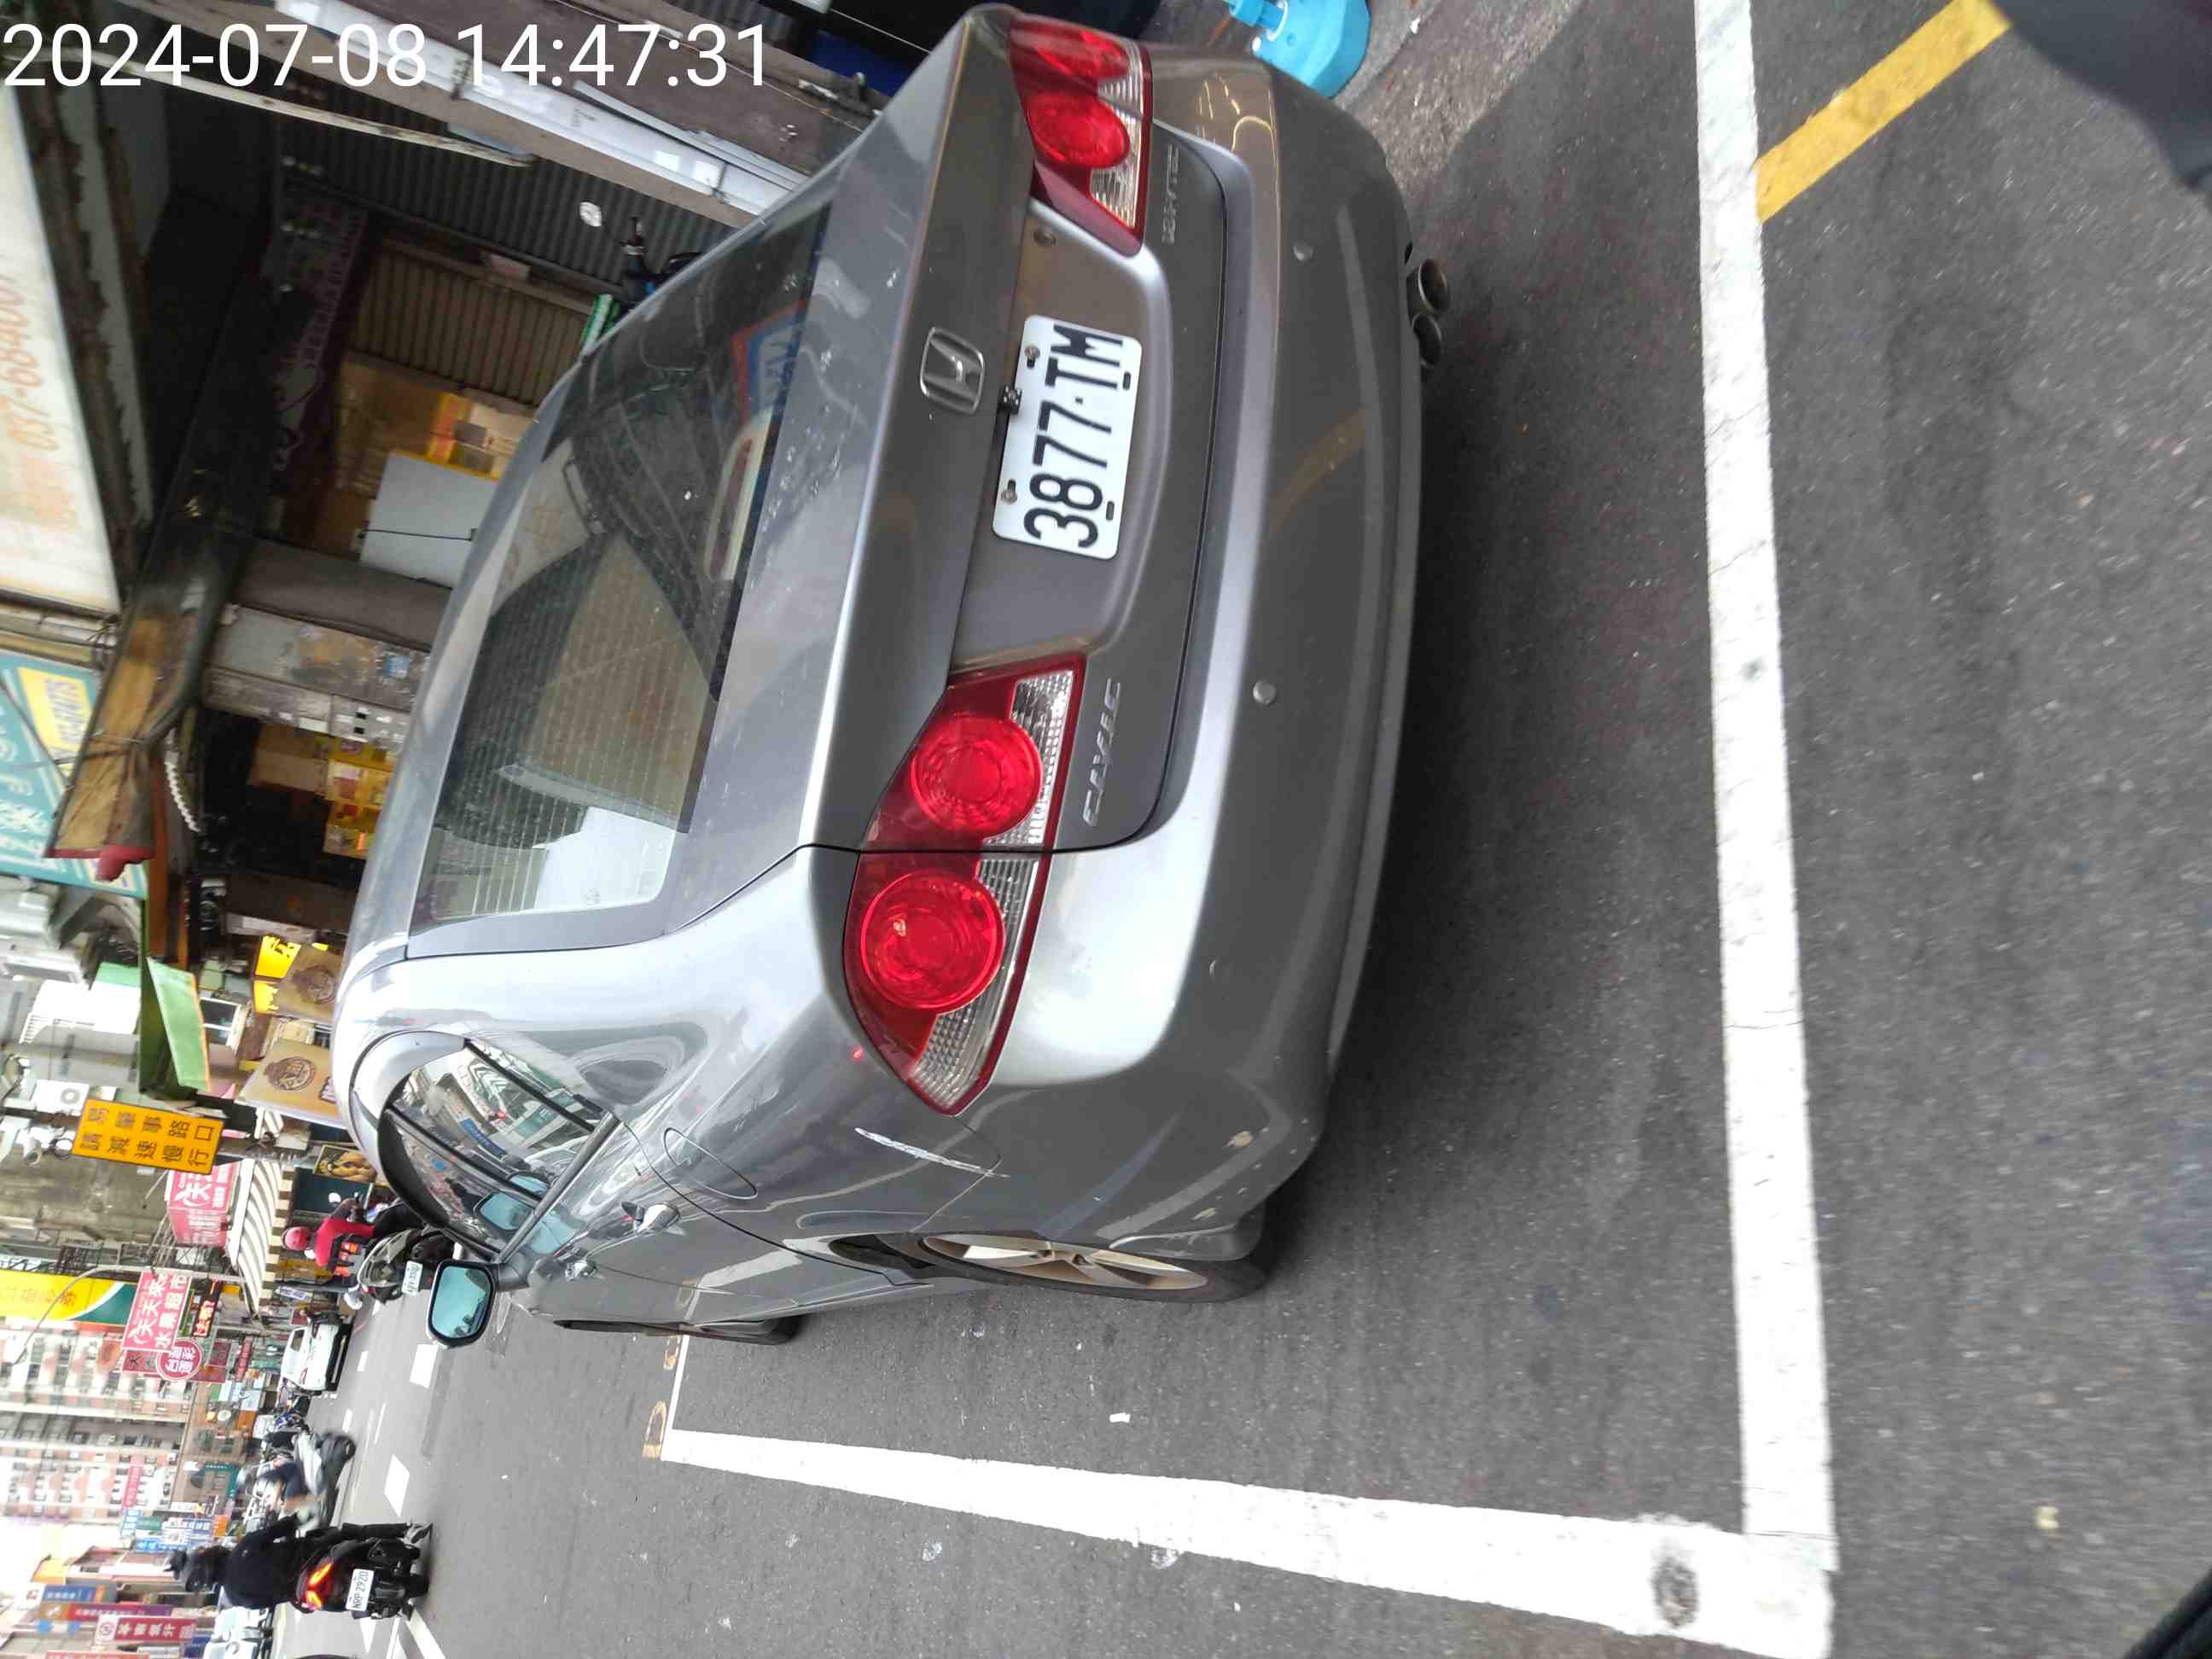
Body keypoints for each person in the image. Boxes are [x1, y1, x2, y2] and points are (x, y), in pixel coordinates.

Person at [171, 1514, 429, 1611]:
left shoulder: (237, 1598)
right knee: (351, 1532)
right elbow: (278, 1528)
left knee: (334, 1602)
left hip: (304, 1591)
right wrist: (298, 1518)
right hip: (313, 1555)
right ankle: (406, 1530)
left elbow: (269, 1602)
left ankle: (385, 1605)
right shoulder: (243, 1548)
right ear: (206, 1557)